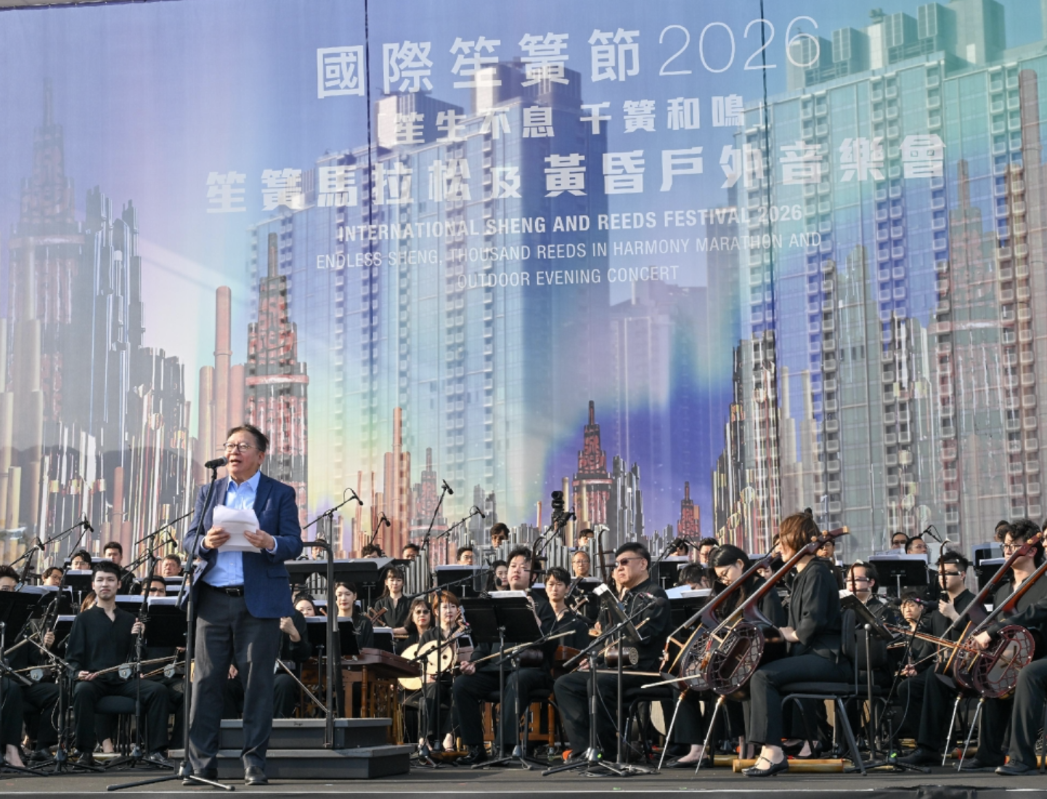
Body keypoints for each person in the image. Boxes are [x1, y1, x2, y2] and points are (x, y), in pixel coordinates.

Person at [182, 423, 303, 786]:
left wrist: (270, 542)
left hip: (258, 603)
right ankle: (201, 765)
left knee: (258, 685)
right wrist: (205, 542)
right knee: (206, 684)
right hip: (213, 600)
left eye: (242, 446)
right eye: (230, 445)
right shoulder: (210, 491)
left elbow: (294, 542)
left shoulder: (279, 493)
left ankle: (254, 762)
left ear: (260, 455)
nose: (233, 451)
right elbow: (189, 539)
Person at [743, 513, 850, 777]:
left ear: (798, 539)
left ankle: (774, 752)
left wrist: (784, 634)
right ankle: (768, 749)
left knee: (764, 677)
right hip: (812, 654)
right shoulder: (802, 574)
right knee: (756, 671)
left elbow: (810, 625)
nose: (778, 546)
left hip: (826, 657)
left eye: (783, 539)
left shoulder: (817, 572)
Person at [665, 545, 785, 768]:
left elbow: (772, 629)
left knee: (723, 679)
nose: (724, 580)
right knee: (683, 680)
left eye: (725, 573)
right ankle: (696, 748)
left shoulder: (763, 589)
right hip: (729, 657)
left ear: (740, 564)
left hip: (755, 658)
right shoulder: (730, 593)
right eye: (719, 577)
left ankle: (745, 744)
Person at [553, 542, 671, 760]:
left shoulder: (655, 595)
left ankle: (608, 751)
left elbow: (643, 638)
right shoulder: (623, 598)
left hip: (641, 668)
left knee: (598, 682)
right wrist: (594, 658)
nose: (619, 568)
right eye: (617, 564)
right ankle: (584, 749)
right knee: (565, 683)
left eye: (625, 562)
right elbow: (607, 636)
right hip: (613, 666)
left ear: (643, 564)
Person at [454, 546, 555, 764]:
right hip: (496, 669)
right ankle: (476, 748)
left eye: (523, 567)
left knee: (516, 679)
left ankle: (505, 748)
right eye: (512, 566)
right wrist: (474, 663)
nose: (516, 570)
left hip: (531, 670)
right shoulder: (494, 602)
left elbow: (549, 647)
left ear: (533, 576)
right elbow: (484, 644)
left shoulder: (543, 605)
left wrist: (535, 618)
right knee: (462, 684)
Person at [66, 561, 170, 767]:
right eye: (100, 580)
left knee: (158, 691)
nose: (105, 584)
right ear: (93, 585)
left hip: (123, 680)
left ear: (119, 584)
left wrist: (139, 638)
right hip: (95, 680)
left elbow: (137, 657)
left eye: (110, 580)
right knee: (82, 690)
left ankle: (156, 751)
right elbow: (72, 658)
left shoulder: (129, 619)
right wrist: (77, 673)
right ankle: (84, 751)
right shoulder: (83, 619)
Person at [962, 520, 1047, 771]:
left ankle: (1022, 758)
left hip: (1040, 654)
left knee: (1028, 673)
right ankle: (988, 753)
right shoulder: (1003, 591)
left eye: (1012, 546)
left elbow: (1036, 611)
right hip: (1022, 655)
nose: (1007, 551)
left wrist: (993, 631)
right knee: (992, 672)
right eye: (1005, 546)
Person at [897, 551, 983, 766]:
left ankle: (929, 747)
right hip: (942, 669)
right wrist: (917, 666)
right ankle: (926, 745)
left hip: (967, 669)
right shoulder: (938, 608)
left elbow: (980, 637)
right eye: (940, 574)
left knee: (934, 677)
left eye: (948, 573)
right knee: (907, 688)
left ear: (962, 575)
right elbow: (935, 645)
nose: (942, 578)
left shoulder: (973, 603)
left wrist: (954, 616)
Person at [370, 566, 410, 636]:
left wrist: (391, 630)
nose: (395, 583)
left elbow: (411, 626)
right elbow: (377, 625)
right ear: (386, 582)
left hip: (406, 640)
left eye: (398, 580)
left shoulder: (410, 603)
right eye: (392, 580)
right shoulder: (380, 603)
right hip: (385, 639)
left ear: (403, 583)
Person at [335, 582, 374, 649]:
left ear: (354, 596)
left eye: (347, 594)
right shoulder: (329, 623)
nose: (343, 598)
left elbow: (368, 650)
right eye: (339, 595)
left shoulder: (364, 623)